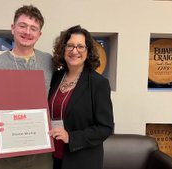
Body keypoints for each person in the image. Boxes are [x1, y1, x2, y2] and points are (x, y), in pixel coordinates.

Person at [0, 5, 53, 169]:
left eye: (33, 28)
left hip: (41, 154)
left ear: (39, 34)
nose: (27, 32)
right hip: (5, 154)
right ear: (13, 28)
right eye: (22, 26)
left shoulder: (49, 62)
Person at [48, 25, 114, 169]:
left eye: (80, 46)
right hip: (52, 158)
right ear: (63, 49)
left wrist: (71, 137)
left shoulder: (98, 83)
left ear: (88, 51)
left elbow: (106, 127)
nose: (74, 51)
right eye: (70, 46)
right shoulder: (55, 77)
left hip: (81, 160)